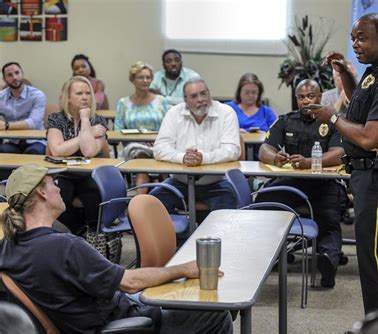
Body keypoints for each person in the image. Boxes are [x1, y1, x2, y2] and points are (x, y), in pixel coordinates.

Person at [0, 164, 233, 333]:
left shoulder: (7, 247)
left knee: (180, 294)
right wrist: (184, 269)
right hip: (121, 323)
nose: (59, 189)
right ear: (41, 192)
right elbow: (129, 282)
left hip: (95, 313)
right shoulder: (66, 247)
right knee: (214, 311)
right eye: (53, 184)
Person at [308, 13, 378, 314]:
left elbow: (369, 136)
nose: (355, 44)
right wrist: (345, 71)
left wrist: (331, 115)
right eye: (354, 38)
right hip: (371, 174)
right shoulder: (376, 70)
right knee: (371, 255)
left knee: (374, 256)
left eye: (362, 38)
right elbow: (361, 103)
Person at [257, 79, 347, 288]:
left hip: (325, 184)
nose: (306, 101)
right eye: (301, 97)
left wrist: (310, 162)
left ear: (320, 97)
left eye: (311, 96)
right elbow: (265, 149)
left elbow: (339, 154)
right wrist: (275, 157)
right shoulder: (286, 121)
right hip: (292, 182)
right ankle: (270, 254)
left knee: (329, 214)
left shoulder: (332, 121)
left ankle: (328, 260)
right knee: (264, 201)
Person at [150, 77, 240, 214]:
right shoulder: (174, 113)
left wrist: (203, 158)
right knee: (152, 203)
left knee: (229, 207)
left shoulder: (226, 112)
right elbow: (160, 148)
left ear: (209, 94)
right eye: (194, 96)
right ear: (185, 100)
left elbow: (232, 150)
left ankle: (215, 235)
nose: (200, 99)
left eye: (203, 93)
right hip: (180, 182)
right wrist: (183, 157)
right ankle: (179, 235)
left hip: (215, 182)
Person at [47, 76, 108, 234]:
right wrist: (87, 134)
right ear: (68, 97)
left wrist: (85, 119)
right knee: (59, 195)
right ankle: (74, 234)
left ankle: (95, 234)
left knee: (93, 193)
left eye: (88, 93)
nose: (84, 97)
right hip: (65, 172)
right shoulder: (56, 119)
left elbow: (88, 151)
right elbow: (57, 151)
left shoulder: (98, 120)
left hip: (90, 173)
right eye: (79, 93)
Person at [115, 61, 168, 193]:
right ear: (133, 79)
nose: (145, 80)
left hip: (158, 144)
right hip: (133, 145)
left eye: (148, 77)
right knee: (140, 154)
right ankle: (145, 199)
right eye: (141, 77)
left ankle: (142, 199)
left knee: (145, 159)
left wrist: (157, 141)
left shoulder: (161, 101)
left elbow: (169, 126)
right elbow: (117, 130)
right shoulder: (123, 103)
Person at [0, 62, 46, 155]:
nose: (15, 77)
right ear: (4, 79)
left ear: (22, 74)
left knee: (33, 152)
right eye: (10, 75)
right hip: (14, 142)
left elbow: (33, 122)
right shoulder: (1, 96)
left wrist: (7, 125)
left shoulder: (37, 95)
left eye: (17, 73)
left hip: (35, 141)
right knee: (3, 151)